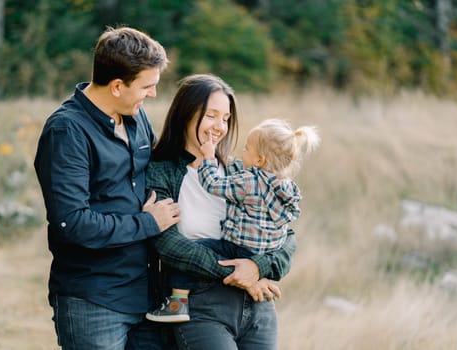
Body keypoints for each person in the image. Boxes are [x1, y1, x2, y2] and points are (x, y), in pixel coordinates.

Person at [33, 26, 181, 350]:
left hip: (146, 295)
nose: (153, 94)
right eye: (147, 86)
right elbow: (72, 223)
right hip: (93, 300)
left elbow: (158, 176)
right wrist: (148, 222)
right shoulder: (66, 131)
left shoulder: (137, 117)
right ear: (117, 86)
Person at [143, 73, 298, 349]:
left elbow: (286, 235)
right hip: (202, 309)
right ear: (187, 113)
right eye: (211, 115)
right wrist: (242, 277)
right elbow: (167, 244)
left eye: (226, 118)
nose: (220, 126)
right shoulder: (162, 171)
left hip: (258, 309)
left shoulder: (241, 172)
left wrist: (256, 267)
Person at [146, 118, 319, 323]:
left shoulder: (247, 180)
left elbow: (212, 184)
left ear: (260, 160)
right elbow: (285, 228)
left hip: (239, 248)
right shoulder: (287, 187)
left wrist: (209, 157)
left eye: (246, 149)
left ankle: (178, 303)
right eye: (211, 116)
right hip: (264, 251)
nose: (241, 152)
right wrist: (258, 268)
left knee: (195, 250)